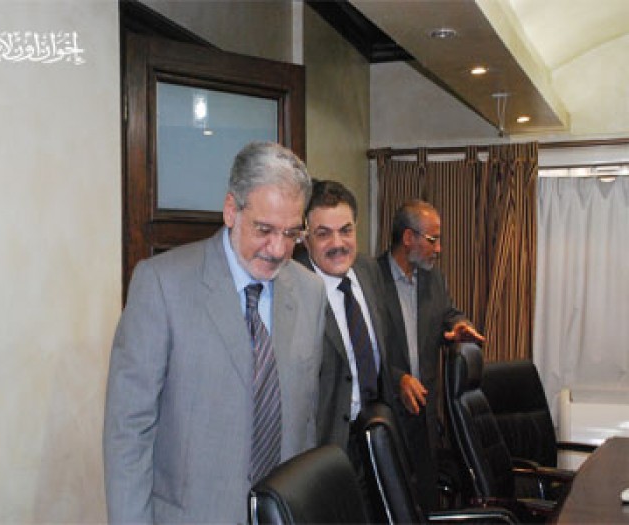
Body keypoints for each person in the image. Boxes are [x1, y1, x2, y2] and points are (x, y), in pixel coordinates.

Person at [103, 142, 327, 524]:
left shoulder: (310, 292)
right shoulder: (162, 285)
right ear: (231, 210)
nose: (278, 249)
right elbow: (129, 432)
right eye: (264, 230)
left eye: (292, 233)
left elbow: (305, 425)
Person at [376, 198, 485, 511]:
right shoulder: (370, 278)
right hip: (386, 412)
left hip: (424, 413)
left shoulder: (433, 278)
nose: (439, 249)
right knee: (390, 505)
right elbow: (360, 347)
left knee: (425, 501)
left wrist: (459, 325)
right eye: (433, 240)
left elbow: (447, 313)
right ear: (408, 237)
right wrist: (397, 378)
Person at [295, 180, 394, 470]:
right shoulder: (292, 289)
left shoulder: (368, 269)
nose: (337, 244)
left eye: (346, 230)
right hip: (323, 448)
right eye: (323, 234)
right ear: (305, 238)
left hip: (374, 437)